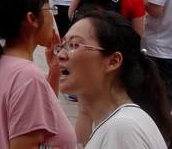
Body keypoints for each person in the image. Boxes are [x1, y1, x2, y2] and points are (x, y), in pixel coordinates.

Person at [0, 0, 75, 149]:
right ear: (32, 19)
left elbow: (35, 116)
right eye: (49, 10)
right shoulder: (28, 76)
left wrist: (53, 74)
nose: (52, 17)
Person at [57, 10, 172, 148]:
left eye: (74, 45)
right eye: (62, 45)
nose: (60, 55)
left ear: (113, 61)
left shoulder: (121, 129)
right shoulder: (118, 122)